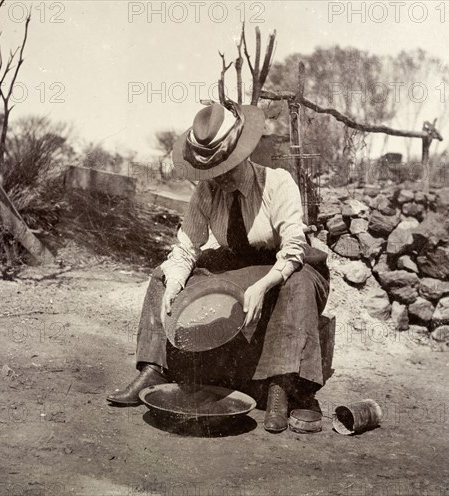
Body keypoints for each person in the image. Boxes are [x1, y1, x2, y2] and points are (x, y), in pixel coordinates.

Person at [107, 101, 331, 433]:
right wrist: (174, 283)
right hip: (234, 268)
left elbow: (294, 248)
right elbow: (185, 248)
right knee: (162, 275)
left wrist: (263, 284)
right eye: (212, 171)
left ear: (243, 156)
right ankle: (154, 369)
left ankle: (281, 387)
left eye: (226, 168)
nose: (219, 178)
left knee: (296, 284)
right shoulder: (207, 192)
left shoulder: (277, 183)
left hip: (280, 265)